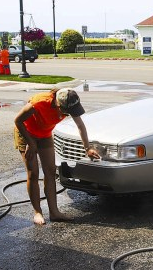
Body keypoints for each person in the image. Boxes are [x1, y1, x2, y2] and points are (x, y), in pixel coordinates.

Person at [14, 88, 100, 225]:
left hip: (44, 134)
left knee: (50, 171)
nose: (71, 114)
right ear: (59, 105)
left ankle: (54, 212)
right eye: (68, 112)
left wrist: (87, 148)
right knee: (33, 173)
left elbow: (80, 126)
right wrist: (30, 142)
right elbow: (18, 121)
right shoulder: (39, 103)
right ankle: (37, 212)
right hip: (26, 133)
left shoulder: (70, 105)